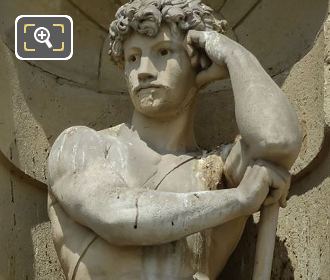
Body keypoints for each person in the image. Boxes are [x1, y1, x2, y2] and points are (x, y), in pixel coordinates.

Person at [47, 0, 302, 279]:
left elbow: (278, 142)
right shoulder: (80, 145)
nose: (143, 70)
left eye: (162, 52)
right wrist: (239, 200)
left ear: (198, 62)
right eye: (132, 58)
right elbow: (115, 215)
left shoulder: (219, 170)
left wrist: (232, 55)